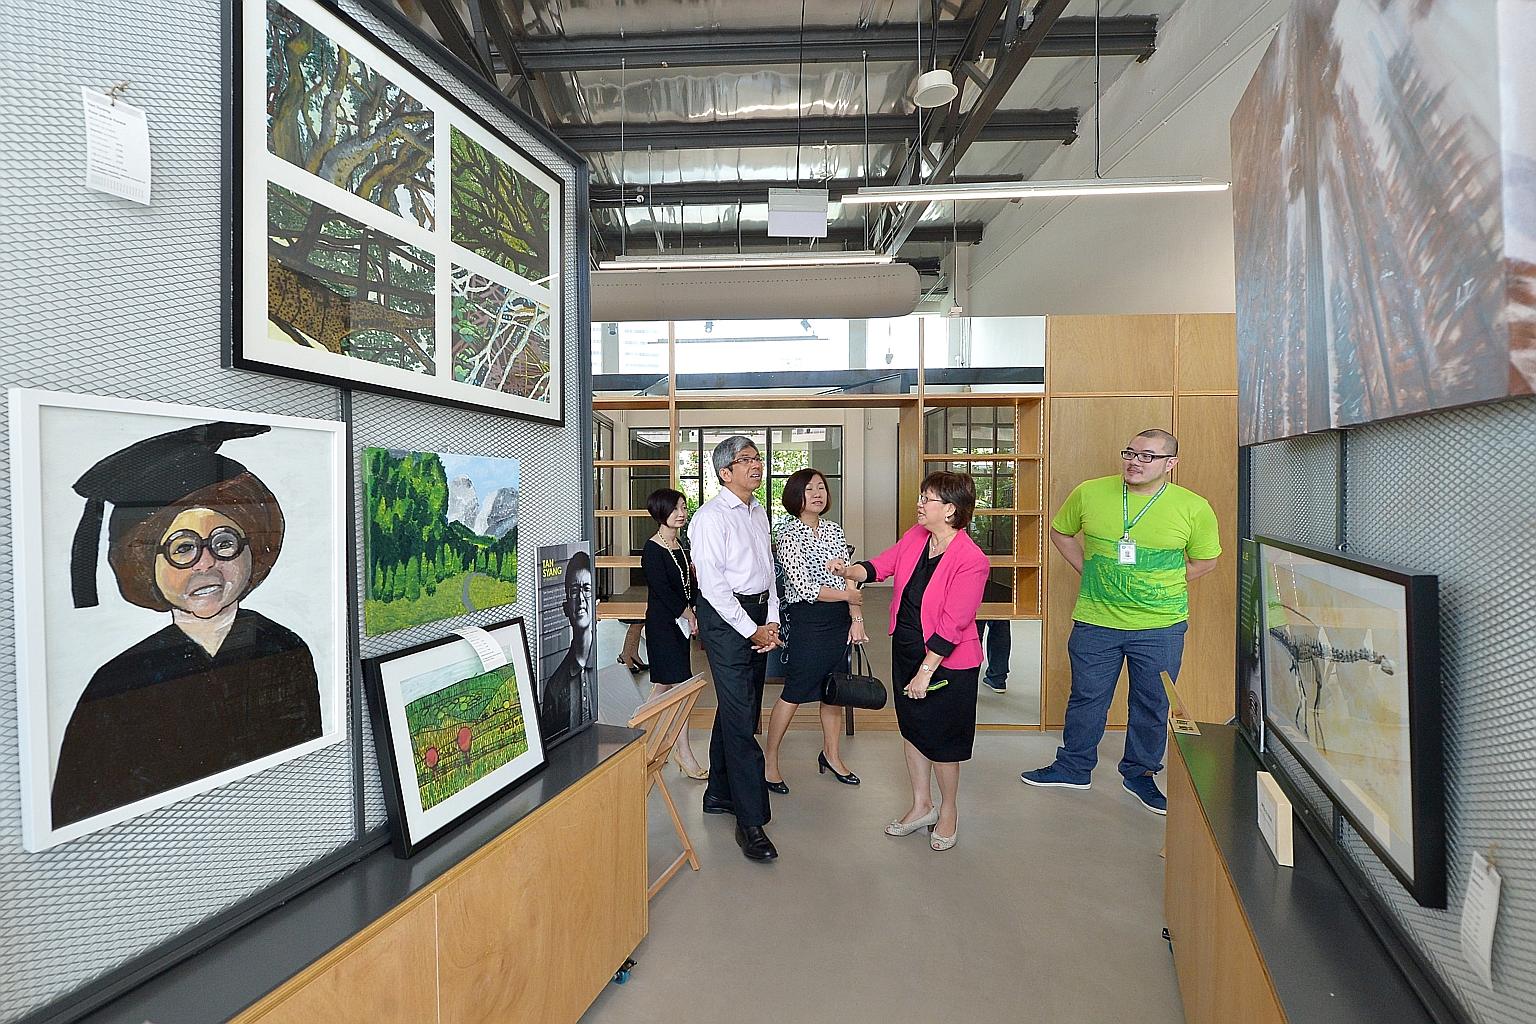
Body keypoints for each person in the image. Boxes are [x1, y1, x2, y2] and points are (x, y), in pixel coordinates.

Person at [53, 422, 322, 828]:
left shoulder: (285, 649)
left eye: (225, 542)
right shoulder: (118, 682)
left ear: (252, 549)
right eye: (182, 549)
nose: (206, 563)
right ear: (146, 566)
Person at [1020, 429, 1221, 815]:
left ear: (1170, 464)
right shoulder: (1091, 492)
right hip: (1096, 620)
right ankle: (1073, 767)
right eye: (1130, 452)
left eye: (1148, 456)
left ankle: (1140, 776)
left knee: (1152, 702)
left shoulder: (1193, 507)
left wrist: (1160, 587)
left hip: (1160, 626)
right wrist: (1086, 569)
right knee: (1087, 697)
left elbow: (1205, 561)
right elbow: (1060, 532)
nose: (1136, 461)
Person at [829, 471, 988, 852]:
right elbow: (883, 565)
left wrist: (926, 671)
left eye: (928, 498)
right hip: (906, 649)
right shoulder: (918, 537)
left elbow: (953, 624)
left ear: (950, 510)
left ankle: (948, 811)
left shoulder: (971, 559)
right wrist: (851, 570)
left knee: (945, 739)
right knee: (914, 729)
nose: (920, 503)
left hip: (947, 662)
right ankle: (921, 804)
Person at [688, 435, 783, 863]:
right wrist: (750, 630)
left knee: (736, 707)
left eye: (758, 458)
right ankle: (750, 821)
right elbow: (713, 587)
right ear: (725, 472)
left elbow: (769, 573)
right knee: (744, 720)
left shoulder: (759, 511)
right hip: (728, 621)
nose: (756, 465)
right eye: (746, 460)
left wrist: (773, 618)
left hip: (757, 614)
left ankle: (719, 794)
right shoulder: (710, 517)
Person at [763, 469, 869, 793]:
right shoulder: (787, 534)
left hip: (838, 619)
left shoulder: (834, 530)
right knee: (794, 692)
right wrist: (848, 595)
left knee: (833, 692)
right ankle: (769, 762)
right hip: (807, 621)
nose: (817, 494)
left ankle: (832, 755)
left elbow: (848, 574)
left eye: (821, 488)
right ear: (796, 496)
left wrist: (856, 616)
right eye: (809, 489)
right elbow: (803, 586)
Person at [641, 487, 706, 779]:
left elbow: (686, 586)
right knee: (673, 686)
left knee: (670, 687)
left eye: (683, 508)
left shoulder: (680, 546)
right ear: (660, 512)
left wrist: (692, 608)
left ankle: (644, 739)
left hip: (679, 625)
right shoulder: (653, 549)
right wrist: (688, 612)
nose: (681, 514)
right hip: (663, 625)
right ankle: (676, 749)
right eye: (676, 508)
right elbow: (663, 592)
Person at [540, 548, 595, 740]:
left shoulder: (602, 666)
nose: (581, 600)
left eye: (587, 590)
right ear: (565, 608)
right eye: (574, 591)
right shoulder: (555, 687)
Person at [977, 577, 1013, 694]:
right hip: (1003, 575)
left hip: (976, 573)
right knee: (1000, 623)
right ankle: (998, 677)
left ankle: (970, 675)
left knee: (975, 627)